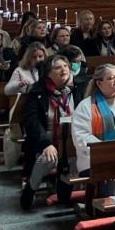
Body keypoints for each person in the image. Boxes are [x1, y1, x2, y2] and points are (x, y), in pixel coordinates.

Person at [19, 57, 74, 210]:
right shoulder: (38, 92)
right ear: (48, 73)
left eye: (66, 66)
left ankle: (65, 189)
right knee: (48, 158)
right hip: (46, 139)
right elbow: (32, 122)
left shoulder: (74, 90)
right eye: (58, 68)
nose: (64, 70)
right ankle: (31, 188)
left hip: (70, 139)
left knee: (75, 158)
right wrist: (46, 144)